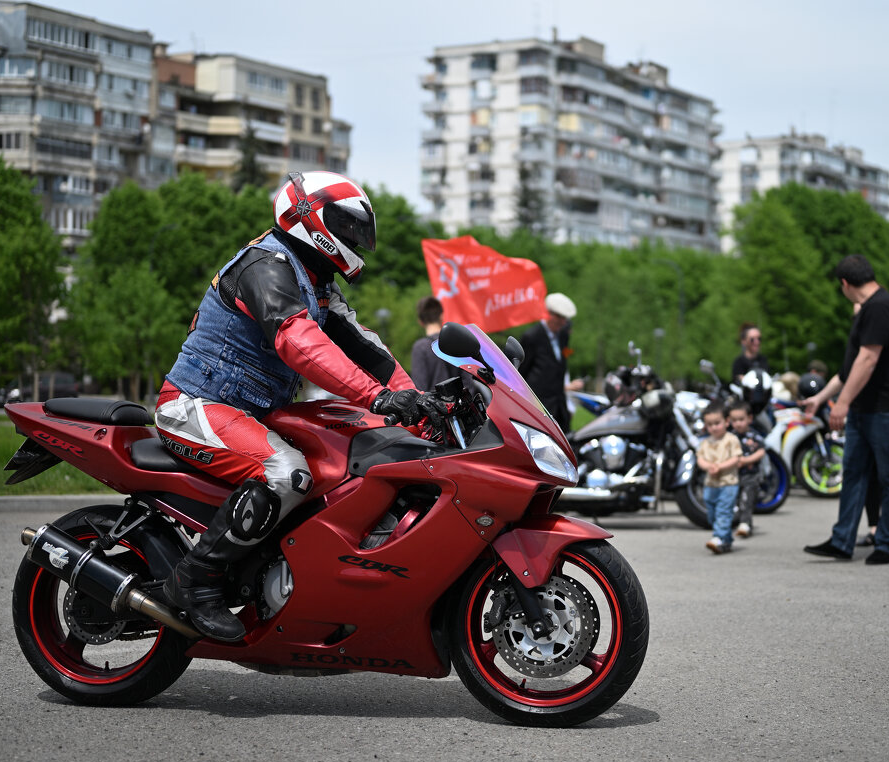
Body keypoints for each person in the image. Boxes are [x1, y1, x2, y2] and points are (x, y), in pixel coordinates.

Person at [154, 171, 447, 641]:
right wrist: (376, 396)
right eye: (347, 227)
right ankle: (194, 581)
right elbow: (299, 341)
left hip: (253, 414)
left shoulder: (315, 280)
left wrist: (419, 403)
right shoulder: (265, 266)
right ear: (309, 218)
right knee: (287, 473)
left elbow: (365, 348)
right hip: (196, 405)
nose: (355, 238)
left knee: (351, 458)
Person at [800, 255, 889, 565]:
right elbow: (847, 369)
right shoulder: (868, 311)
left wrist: (842, 403)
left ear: (845, 284)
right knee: (854, 475)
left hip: (888, 410)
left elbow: (868, 360)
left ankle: (886, 544)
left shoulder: (880, 307)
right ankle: (842, 541)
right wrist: (821, 398)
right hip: (867, 410)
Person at [519, 292, 584, 433]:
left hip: (559, 404)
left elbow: (561, 362)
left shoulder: (563, 336)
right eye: (559, 317)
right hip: (539, 406)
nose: (563, 322)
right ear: (549, 314)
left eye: (565, 318)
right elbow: (521, 372)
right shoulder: (532, 336)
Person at [696, 401, 742, 554]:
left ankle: (718, 538)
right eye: (710, 424)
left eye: (717, 423)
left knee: (723, 511)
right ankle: (726, 540)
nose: (714, 427)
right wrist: (708, 466)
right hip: (710, 484)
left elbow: (736, 458)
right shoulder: (705, 442)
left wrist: (720, 467)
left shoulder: (731, 440)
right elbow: (700, 459)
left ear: (726, 422)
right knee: (712, 514)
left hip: (728, 483)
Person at [728, 400, 766, 537]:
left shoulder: (754, 436)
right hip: (734, 475)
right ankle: (738, 521)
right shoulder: (730, 437)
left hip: (751, 474)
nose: (738, 423)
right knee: (736, 499)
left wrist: (745, 461)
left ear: (749, 419)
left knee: (747, 499)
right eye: (734, 420)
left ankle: (745, 523)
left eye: (741, 419)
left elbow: (761, 451)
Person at [409, 295, 462, 391]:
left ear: (420, 321)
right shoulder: (456, 342)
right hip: (460, 403)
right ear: (441, 316)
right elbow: (468, 380)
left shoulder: (420, 347)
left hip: (435, 404)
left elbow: (420, 386)